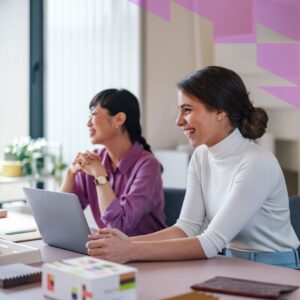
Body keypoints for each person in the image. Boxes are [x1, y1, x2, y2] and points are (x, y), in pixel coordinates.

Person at [86, 66, 300, 269]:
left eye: (187, 110)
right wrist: (125, 242)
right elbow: (186, 228)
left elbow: (211, 241)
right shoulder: (201, 156)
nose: (179, 121)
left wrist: (130, 249)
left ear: (220, 111)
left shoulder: (256, 162)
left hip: (274, 269)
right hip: (231, 263)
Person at [60, 88, 166, 236]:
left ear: (119, 119)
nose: (88, 123)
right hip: (108, 252)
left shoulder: (148, 165)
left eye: (94, 114)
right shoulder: (94, 160)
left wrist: (99, 175)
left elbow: (119, 227)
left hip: (143, 253)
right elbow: (62, 216)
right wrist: (70, 174)